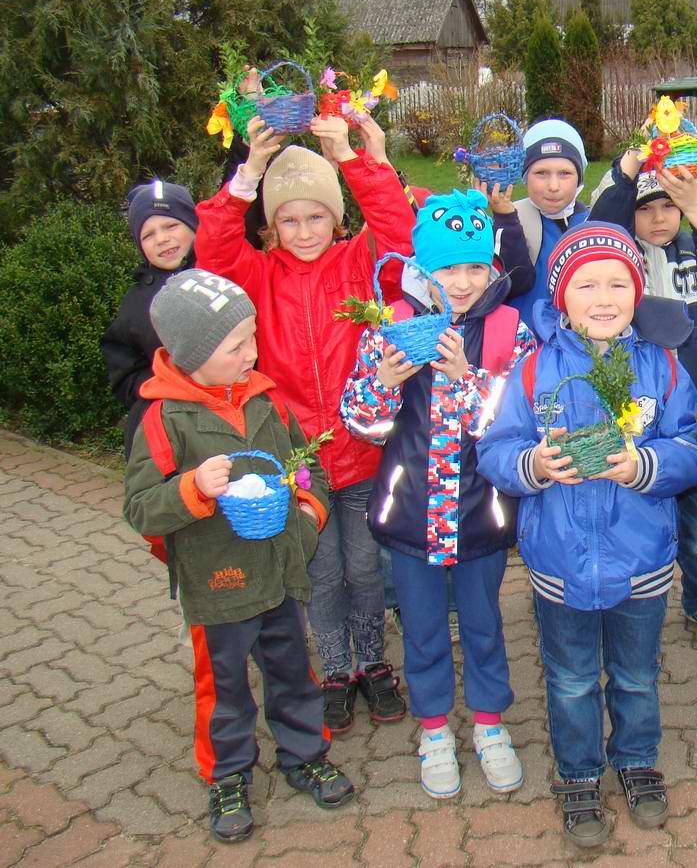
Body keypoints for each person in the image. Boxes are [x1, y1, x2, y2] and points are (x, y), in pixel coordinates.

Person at [476, 223, 697, 848]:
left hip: (642, 562)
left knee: (636, 674)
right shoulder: (532, 371)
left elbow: (694, 448)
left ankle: (636, 760)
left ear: (638, 292)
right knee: (571, 679)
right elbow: (494, 448)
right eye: (586, 285)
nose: (603, 297)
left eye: (617, 284)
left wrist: (645, 467)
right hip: (560, 562)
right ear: (560, 296)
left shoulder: (662, 367)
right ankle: (578, 774)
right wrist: (533, 465)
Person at [195, 115, 414, 733]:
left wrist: (350, 159)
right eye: (288, 220)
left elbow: (398, 230)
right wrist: (249, 174)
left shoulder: (358, 263)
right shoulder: (258, 275)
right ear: (270, 228)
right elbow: (212, 250)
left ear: (336, 220)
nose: (304, 231)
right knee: (321, 573)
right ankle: (337, 670)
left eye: (316, 216)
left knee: (365, 569)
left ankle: (373, 662)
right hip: (300, 460)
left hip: (363, 450)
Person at [122, 269, 354, 843]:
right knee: (222, 687)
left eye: (252, 338)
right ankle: (227, 775)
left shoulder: (265, 402)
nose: (252, 353)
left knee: (292, 671)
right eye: (236, 345)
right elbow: (141, 508)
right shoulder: (164, 419)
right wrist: (193, 488)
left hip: (278, 573)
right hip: (216, 582)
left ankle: (303, 754)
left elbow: (307, 465)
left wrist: (309, 514)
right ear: (192, 354)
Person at [340, 190, 536, 800]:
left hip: (480, 512)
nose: (462, 282)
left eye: (475, 267)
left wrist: (464, 378)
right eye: (447, 268)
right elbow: (364, 425)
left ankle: (489, 724)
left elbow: (514, 422)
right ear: (422, 269)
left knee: (483, 624)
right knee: (423, 629)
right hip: (411, 513)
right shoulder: (392, 326)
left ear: (491, 268)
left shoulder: (508, 329)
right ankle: (432, 730)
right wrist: (384, 382)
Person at [588, 151, 697, 640]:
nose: (658, 218)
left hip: (696, 408)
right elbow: (599, 222)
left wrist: (695, 206)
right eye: (645, 208)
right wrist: (630, 168)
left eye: (668, 206)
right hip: (635, 410)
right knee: (629, 513)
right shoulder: (618, 262)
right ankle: (625, 601)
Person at [101, 180, 199, 455]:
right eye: (148, 235)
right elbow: (124, 371)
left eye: (171, 225)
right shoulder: (136, 302)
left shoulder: (222, 276)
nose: (162, 238)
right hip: (168, 432)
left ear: (194, 225)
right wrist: (161, 389)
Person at [486, 119, 590, 330]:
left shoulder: (593, 223)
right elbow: (511, 284)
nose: (553, 186)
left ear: (579, 177)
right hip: (525, 342)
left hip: (582, 340)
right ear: (525, 176)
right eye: (541, 173)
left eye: (565, 173)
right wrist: (506, 219)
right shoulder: (512, 218)